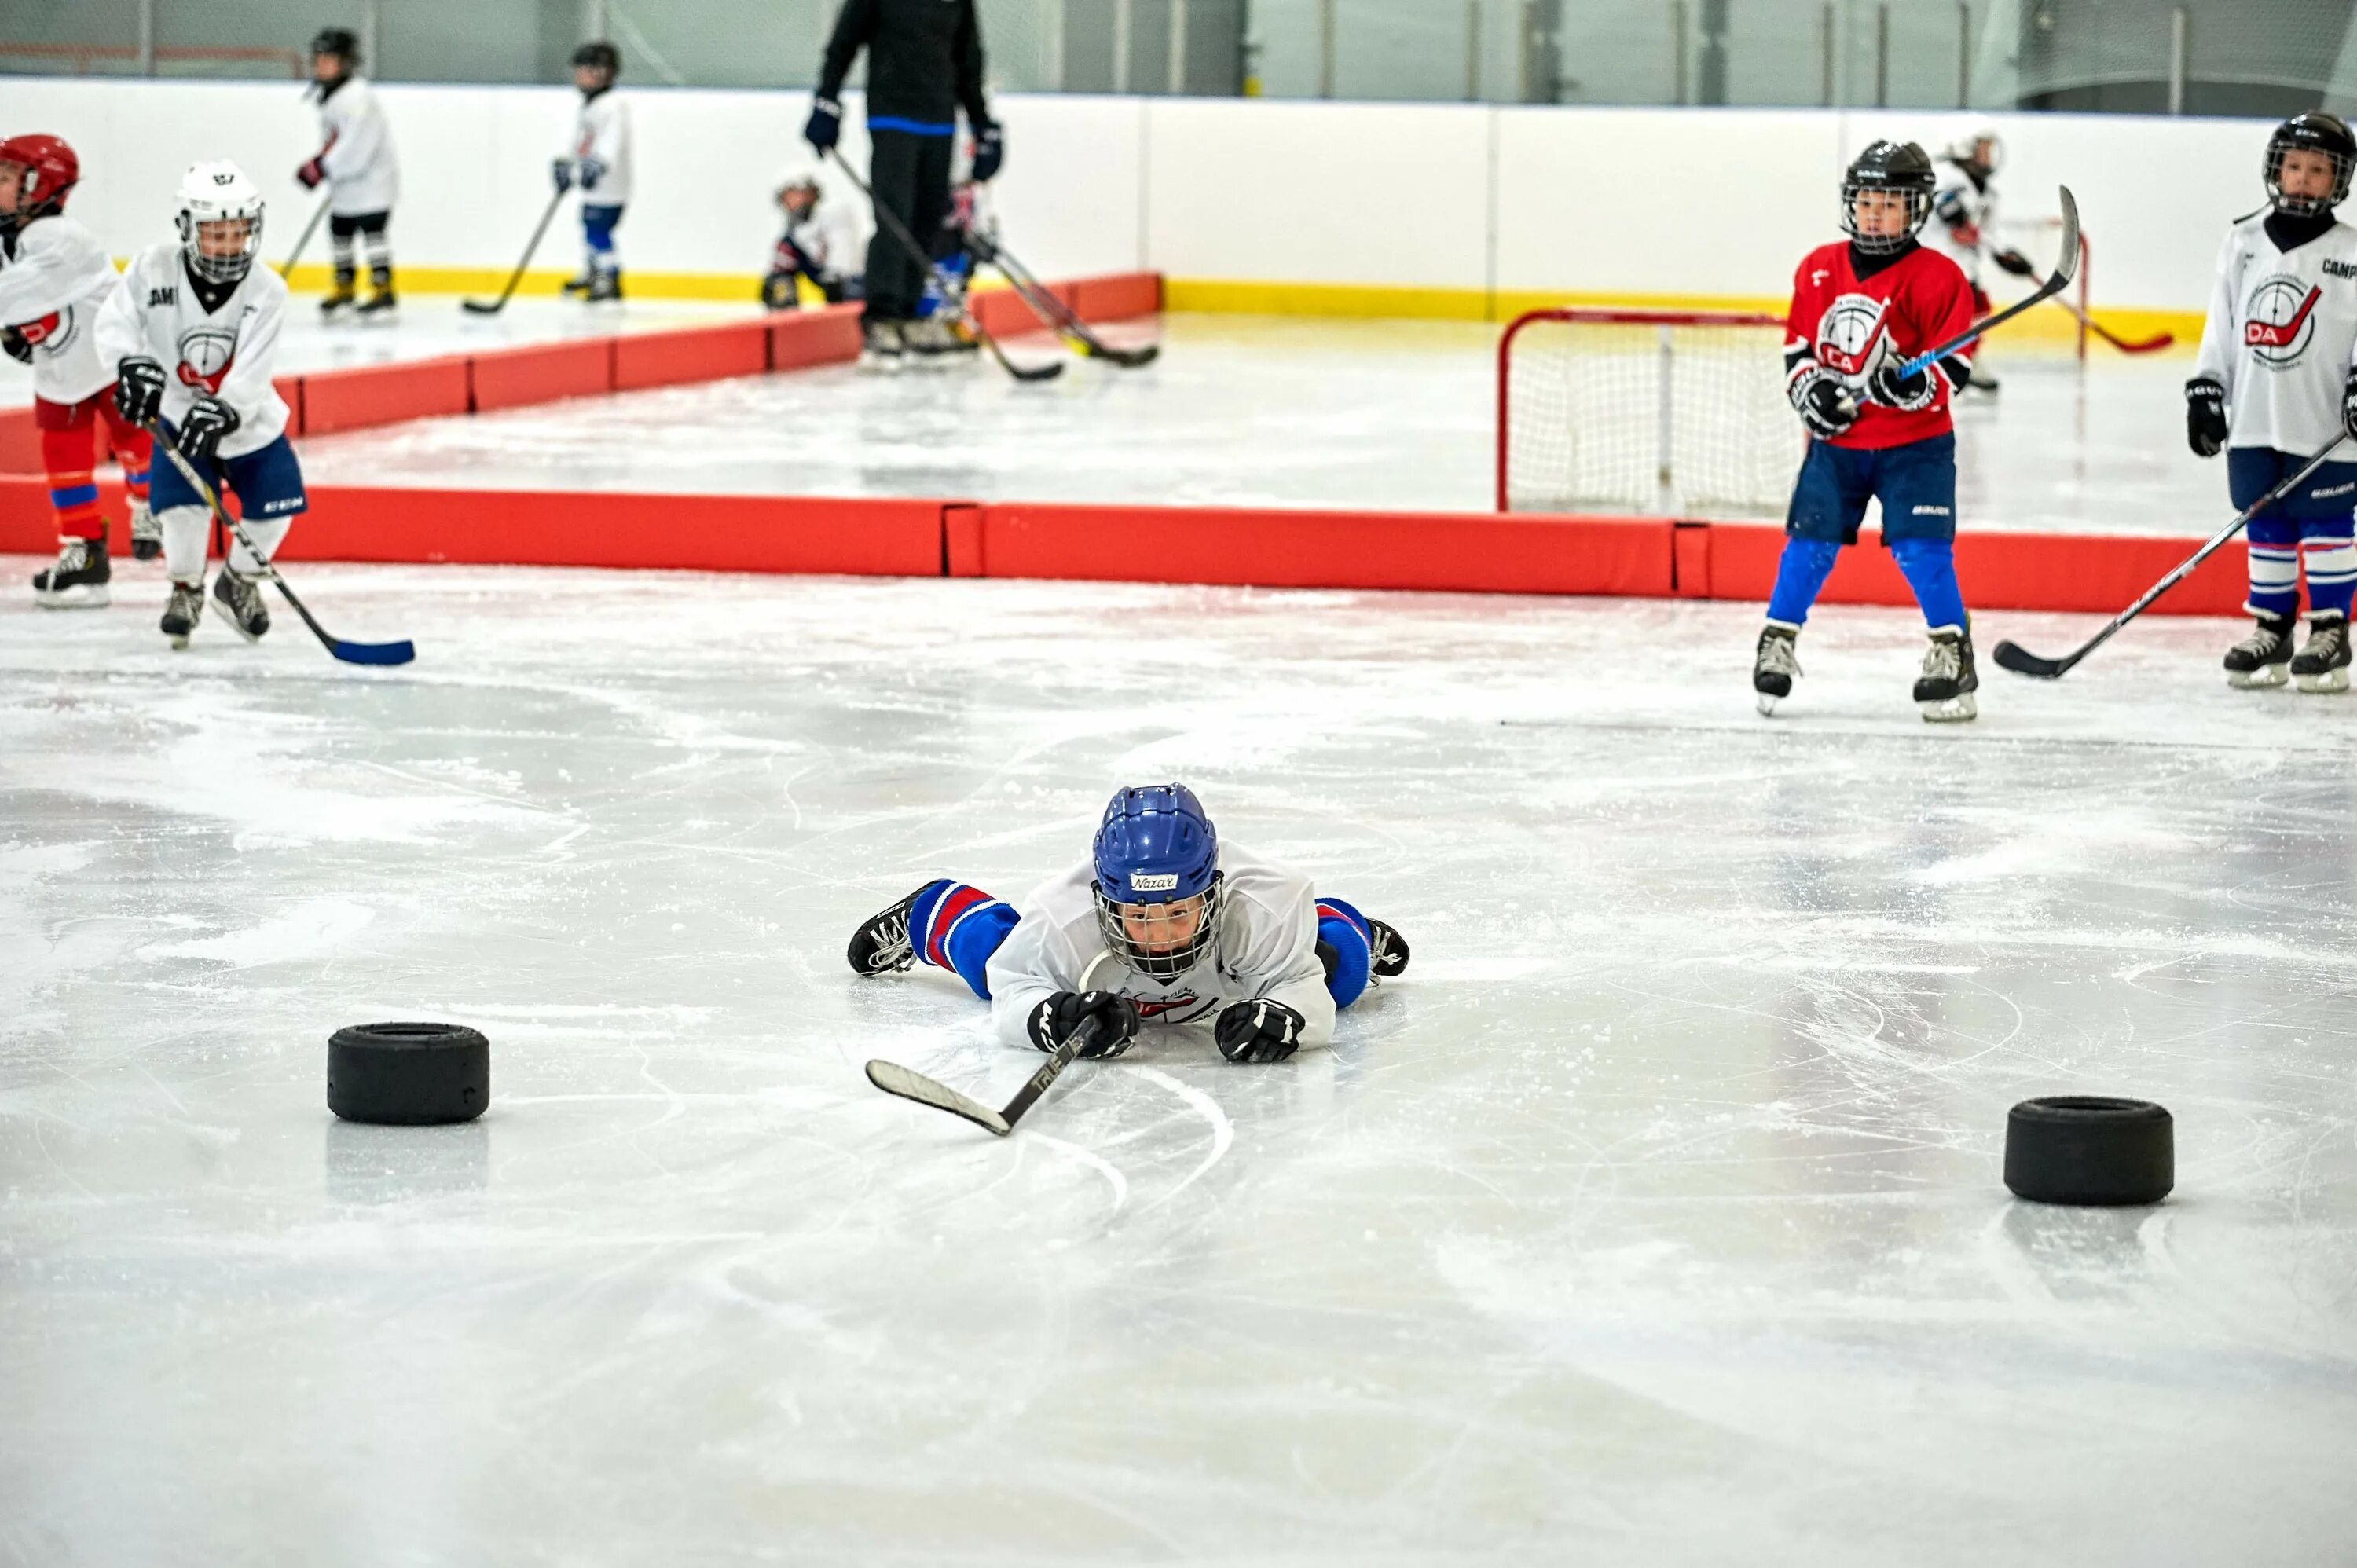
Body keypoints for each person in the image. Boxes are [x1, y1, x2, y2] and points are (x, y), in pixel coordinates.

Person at [844, 784, 1409, 1063]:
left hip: (1234, 972)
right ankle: (932, 910)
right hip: (1104, 973)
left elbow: (1304, 993)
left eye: (1179, 911)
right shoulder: (1064, 912)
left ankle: (1343, 922)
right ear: (1104, 899)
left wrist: (1287, 1019)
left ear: (1213, 890)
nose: (1160, 937)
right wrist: (1051, 1017)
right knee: (991, 957)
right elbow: (1013, 991)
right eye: (1139, 916)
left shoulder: (1264, 901)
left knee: (1336, 968)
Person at [1754, 140, 1980, 722]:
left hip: (1916, 447)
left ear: (1916, 209)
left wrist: (1913, 384)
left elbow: (1954, 367)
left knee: (1920, 549)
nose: (1874, 214)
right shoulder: (1819, 268)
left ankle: (1951, 652)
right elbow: (1799, 351)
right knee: (1810, 542)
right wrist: (1812, 393)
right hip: (1838, 447)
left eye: (1890, 204)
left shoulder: (1940, 277)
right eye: (1865, 202)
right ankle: (1777, 639)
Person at [95, 162, 306, 650]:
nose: (229, 245)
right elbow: (116, 321)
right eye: (216, 234)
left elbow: (253, 368)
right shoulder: (153, 268)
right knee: (182, 511)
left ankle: (238, 582)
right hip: (175, 415)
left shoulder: (267, 290)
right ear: (187, 228)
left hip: (250, 424)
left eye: (239, 233)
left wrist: (228, 407)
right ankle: (186, 588)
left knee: (276, 507)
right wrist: (130, 363)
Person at [2187, 114, 2357, 695]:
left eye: (2318, 170)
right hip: (2255, 417)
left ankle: (2330, 629)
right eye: (2294, 166)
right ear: (2275, 170)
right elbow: (2221, 322)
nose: (2303, 178)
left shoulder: (2352, 250)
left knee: (2326, 523)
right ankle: (2272, 627)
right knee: (2265, 520)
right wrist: (2206, 389)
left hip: (2324, 419)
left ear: (2339, 179)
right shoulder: (2243, 241)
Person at [1, 133, 154, 609]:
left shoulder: (60, 240)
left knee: (134, 439)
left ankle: (151, 505)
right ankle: (83, 549)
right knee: (62, 457)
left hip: (110, 363)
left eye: (6, 177)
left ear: (39, 186)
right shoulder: (12, 236)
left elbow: (9, 296)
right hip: (61, 370)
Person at [803, 0, 1001, 368]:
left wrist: (982, 123)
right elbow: (845, 41)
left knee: (929, 218)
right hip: (892, 116)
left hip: (940, 119)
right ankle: (882, 315)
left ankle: (912, 312)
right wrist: (827, 98)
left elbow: (969, 58)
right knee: (895, 216)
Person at [297, 26, 401, 318]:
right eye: (318, 60)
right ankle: (345, 288)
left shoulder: (358, 97)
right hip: (347, 183)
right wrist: (322, 163)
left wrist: (323, 167)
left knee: (372, 231)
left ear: (345, 63)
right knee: (340, 230)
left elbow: (357, 145)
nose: (321, 66)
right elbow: (335, 141)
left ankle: (383, 290)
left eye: (328, 60)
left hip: (372, 182)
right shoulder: (333, 95)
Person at [1922, 126, 2034, 394]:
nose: (1988, 156)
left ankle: (1964, 360)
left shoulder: (1988, 193)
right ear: (1963, 148)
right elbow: (1941, 204)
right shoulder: (1943, 175)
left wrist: (2005, 254)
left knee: (1979, 308)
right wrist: (1949, 208)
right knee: (1956, 314)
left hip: (1965, 267)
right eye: (1982, 149)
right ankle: (1948, 363)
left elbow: (1989, 233)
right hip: (1935, 266)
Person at [553, 40, 630, 303]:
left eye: (584, 70)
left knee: (598, 230)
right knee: (588, 226)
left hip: (610, 185)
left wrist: (598, 165)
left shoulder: (614, 105)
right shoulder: (590, 105)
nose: (579, 76)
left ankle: (610, 277)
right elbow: (581, 140)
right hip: (595, 186)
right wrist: (565, 163)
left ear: (602, 73)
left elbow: (611, 142)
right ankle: (594, 271)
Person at [761, 170, 862, 311]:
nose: (789, 202)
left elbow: (843, 257)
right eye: (786, 197)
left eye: (793, 194)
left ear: (810, 192)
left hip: (857, 284)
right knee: (780, 275)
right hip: (835, 284)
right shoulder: (793, 232)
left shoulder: (834, 213)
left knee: (847, 289)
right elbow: (781, 270)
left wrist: (836, 279)